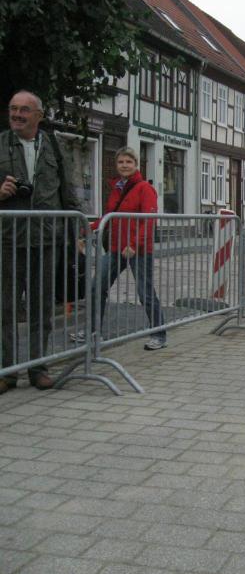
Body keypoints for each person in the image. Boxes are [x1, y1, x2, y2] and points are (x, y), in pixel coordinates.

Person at [1, 90, 81, 394]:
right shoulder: (0, 143)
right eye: (13, 108)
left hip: (47, 239)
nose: (17, 114)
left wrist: (78, 229)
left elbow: (67, 190)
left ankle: (38, 368)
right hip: (8, 239)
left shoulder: (54, 146)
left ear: (39, 115)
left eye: (24, 110)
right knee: (5, 309)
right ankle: (7, 371)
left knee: (42, 308)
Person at [72, 147, 166, 350]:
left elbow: (149, 220)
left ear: (136, 165)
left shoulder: (145, 188)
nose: (124, 165)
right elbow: (109, 216)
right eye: (121, 162)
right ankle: (93, 331)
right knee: (97, 286)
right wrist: (86, 231)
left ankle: (159, 334)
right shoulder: (117, 188)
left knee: (145, 293)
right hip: (116, 248)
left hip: (139, 250)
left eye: (128, 162)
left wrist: (134, 244)